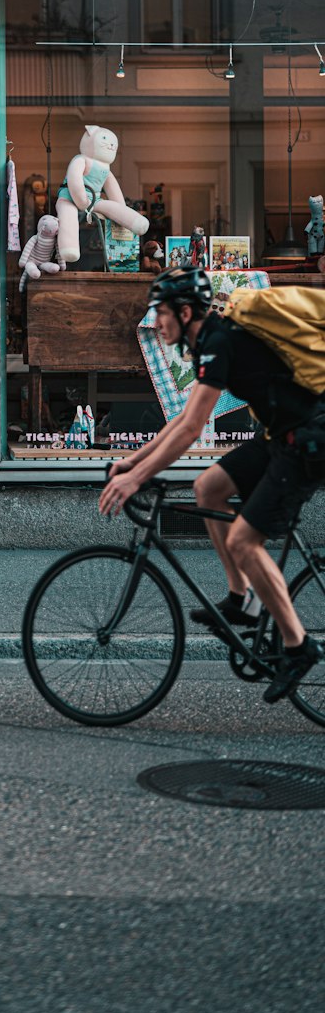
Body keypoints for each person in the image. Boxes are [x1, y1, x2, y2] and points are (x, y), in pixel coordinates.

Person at [100, 266, 323, 704]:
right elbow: (184, 419)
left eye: (161, 313)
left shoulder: (219, 342)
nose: (156, 322)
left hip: (308, 442)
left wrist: (136, 480)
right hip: (280, 435)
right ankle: (243, 599)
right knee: (209, 488)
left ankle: (299, 646)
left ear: (185, 312)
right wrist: (135, 460)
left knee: (243, 540)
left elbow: (191, 430)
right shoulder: (210, 343)